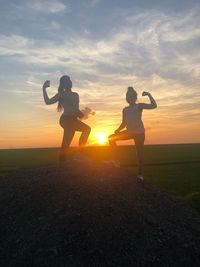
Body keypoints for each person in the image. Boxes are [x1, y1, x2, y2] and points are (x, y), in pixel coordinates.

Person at [108, 86, 157, 181]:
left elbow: (154, 105)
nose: (129, 98)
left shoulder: (139, 106)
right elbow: (124, 123)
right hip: (129, 132)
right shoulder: (125, 109)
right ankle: (116, 161)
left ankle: (140, 175)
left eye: (131, 96)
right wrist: (118, 130)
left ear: (135, 97)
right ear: (126, 98)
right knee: (111, 138)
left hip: (139, 133)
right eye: (128, 96)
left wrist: (149, 95)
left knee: (139, 154)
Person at [42, 75, 91, 161]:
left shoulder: (76, 95)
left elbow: (75, 108)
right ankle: (76, 156)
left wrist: (79, 113)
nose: (69, 82)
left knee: (83, 131)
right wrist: (44, 89)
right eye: (66, 81)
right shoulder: (61, 94)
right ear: (63, 85)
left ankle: (74, 156)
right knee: (68, 140)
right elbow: (48, 102)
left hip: (73, 120)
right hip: (66, 120)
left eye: (69, 80)